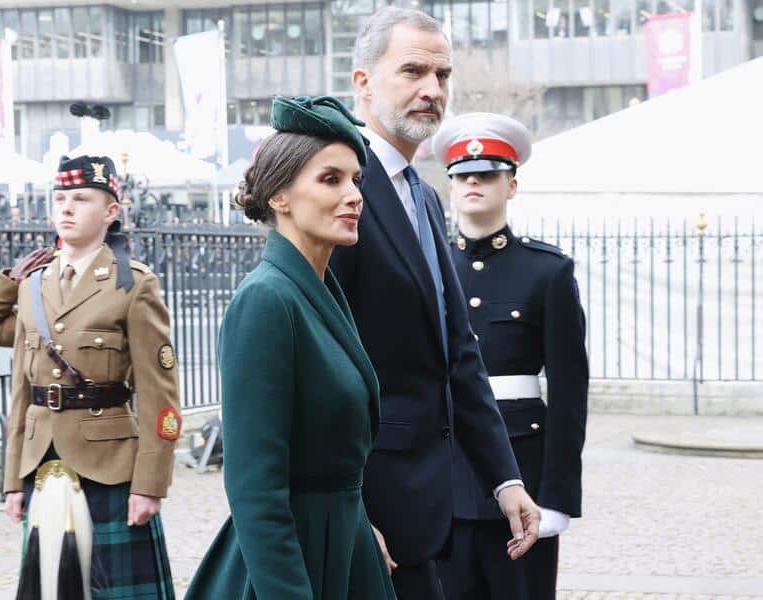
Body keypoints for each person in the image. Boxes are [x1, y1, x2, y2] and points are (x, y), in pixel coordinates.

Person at [329, 8, 541, 599]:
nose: (432, 90)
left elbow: (458, 353)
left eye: (443, 75)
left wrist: (504, 478)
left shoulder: (421, 194)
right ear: (363, 83)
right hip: (369, 511)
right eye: (413, 71)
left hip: (426, 506)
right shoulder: (338, 187)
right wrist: (345, 508)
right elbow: (318, 367)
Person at [184, 96, 397, 600]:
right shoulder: (266, 299)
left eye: (355, 180)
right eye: (331, 179)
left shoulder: (318, 291)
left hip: (342, 547)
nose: (353, 196)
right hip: (291, 565)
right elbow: (255, 487)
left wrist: (357, 525)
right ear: (280, 196)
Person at [0, 155, 181, 599]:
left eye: (81, 198)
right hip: (40, 464)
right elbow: (5, 361)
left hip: (110, 468)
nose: (66, 207)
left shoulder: (134, 284)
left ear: (111, 211)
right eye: (60, 198)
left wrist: (149, 485)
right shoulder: (33, 286)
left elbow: (160, 396)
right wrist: (11, 482)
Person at [433, 112, 589, 599]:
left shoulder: (548, 272)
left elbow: (568, 392)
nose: (473, 181)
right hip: (445, 476)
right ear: (451, 186)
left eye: (488, 173)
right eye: (462, 175)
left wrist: (557, 496)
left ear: (512, 185)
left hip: (524, 470)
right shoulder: (428, 268)